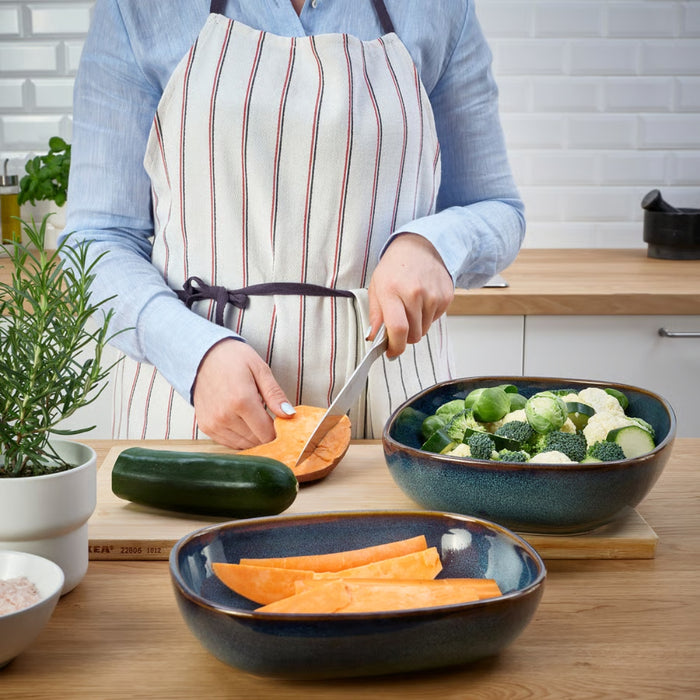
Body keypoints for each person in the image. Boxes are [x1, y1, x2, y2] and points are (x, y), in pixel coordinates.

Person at [63, 0, 525, 449]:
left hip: (392, 417)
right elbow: (94, 241)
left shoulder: (439, 8)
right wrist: (190, 353)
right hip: (192, 412)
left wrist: (432, 246)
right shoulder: (138, 8)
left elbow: (495, 205)